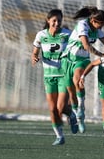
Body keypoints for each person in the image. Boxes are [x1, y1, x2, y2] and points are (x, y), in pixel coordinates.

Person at [62, 6, 104, 133]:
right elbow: (86, 45)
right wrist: (102, 55)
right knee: (71, 92)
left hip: (82, 60)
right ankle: (77, 116)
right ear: (93, 20)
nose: (101, 28)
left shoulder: (97, 29)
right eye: (100, 25)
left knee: (78, 81)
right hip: (67, 58)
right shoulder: (83, 25)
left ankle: (81, 111)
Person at [31, 9, 79, 146]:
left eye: (59, 20)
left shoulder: (67, 34)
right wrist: (34, 57)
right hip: (48, 76)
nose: (57, 23)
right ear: (48, 21)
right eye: (54, 20)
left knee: (60, 107)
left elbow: (80, 41)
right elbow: (34, 52)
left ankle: (70, 115)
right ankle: (60, 135)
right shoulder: (41, 35)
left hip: (63, 76)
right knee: (52, 109)